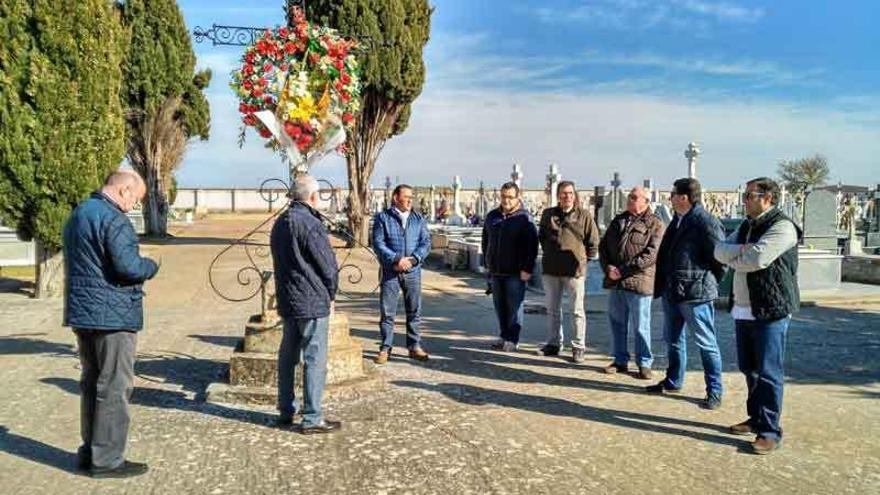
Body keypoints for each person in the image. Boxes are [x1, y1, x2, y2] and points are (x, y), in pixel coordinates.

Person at [63, 170, 159, 478]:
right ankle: (108, 460)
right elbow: (128, 267)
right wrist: (151, 264)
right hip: (112, 316)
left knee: (92, 383)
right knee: (115, 386)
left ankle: (89, 452)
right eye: (135, 198)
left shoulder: (79, 213)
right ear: (123, 190)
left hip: (83, 312)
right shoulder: (114, 219)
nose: (134, 205)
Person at [714, 177, 800, 454]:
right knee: (748, 367)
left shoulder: (783, 227)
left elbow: (759, 259)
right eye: (746, 194)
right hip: (743, 307)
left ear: (767, 198)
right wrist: (742, 251)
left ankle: (770, 430)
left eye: (750, 195)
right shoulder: (745, 226)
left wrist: (739, 256)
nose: (745, 199)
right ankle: (756, 417)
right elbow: (719, 250)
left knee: (768, 371)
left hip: (770, 308)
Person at [646, 178, 726, 410]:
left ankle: (714, 390)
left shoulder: (705, 221)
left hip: (696, 294)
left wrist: (706, 282)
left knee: (706, 343)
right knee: (673, 339)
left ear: (684, 197)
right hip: (673, 291)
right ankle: (673, 380)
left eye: (672, 194)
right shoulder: (678, 220)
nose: (669, 198)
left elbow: (719, 258)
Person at [270, 175, 341, 434]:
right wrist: (332, 293)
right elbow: (328, 266)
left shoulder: (280, 222)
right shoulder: (310, 223)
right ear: (312, 197)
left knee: (288, 357)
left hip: (288, 298)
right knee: (315, 358)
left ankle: (286, 409)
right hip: (311, 300)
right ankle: (312, 417)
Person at [599, 186, 665, 379]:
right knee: (617, 323)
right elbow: (604, 247)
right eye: (630, 196)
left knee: (640, 326)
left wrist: (623, 270)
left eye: (635, 197)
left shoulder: (655, 224)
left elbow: (651, 254)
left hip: (638, 282)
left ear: (646, 201)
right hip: (616, 282)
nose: (630, 200)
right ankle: (620, 360)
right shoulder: (619, 220)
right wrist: (608, 268)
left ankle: (644, 363)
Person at [538, 181, 600, 363]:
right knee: (552, 309)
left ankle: (579, 346)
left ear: (575, 195)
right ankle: (554, 343)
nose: (567, 196)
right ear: (558, 195)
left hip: (574, 271)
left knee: (576, 311)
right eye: (564, 193)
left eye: (571, 193)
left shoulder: (584, 216)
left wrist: (582, 259)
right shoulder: (548, 214)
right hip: (551, 269)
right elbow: (542, 236)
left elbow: (593, 242)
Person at [372, 184, 432, 364]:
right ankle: (385, 348)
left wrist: (413, 260)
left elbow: (426, 242)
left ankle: (414, 346)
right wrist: (397, 259)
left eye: (411, 197)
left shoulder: (418, 219)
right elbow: (378, 243)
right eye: (406, 197)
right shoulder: (383, 218)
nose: (409, 200)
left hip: (413, 272)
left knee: (414, 310)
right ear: (395, 198)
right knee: (387, 312)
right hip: (391, 271)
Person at [482, 181, 538, 351]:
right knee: (500, 305)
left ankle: (512, 339)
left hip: (516, 271)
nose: (506, 200)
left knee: (514, 306)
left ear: (517, 198)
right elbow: (486, 240)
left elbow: (532, 246)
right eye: (503, 196)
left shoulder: (524, 218)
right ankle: (503, 335)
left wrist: (527, 269)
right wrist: (487, 262)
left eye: (510, 197)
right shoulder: (492, 216)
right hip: (496, 270)